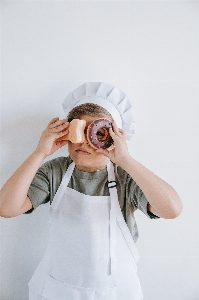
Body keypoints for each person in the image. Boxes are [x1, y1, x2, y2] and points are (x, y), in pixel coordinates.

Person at [0, 82, 182, 300]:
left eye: (97, 132)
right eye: (79, 130)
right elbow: (6, 207)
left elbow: (172, 209)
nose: (85, 141)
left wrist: (124, 159)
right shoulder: (55, 171)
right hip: (58, 290)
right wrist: (40, 152)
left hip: (115, 292)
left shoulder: (126, 177)